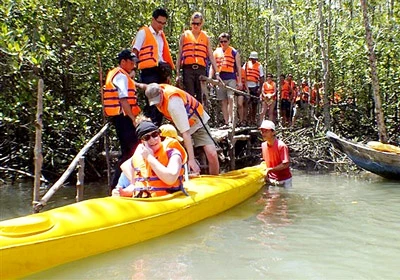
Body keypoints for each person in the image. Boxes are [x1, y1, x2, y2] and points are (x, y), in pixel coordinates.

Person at [144, 83, 219, 175]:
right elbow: (144, 86)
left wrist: (191, 160)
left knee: (212, 154)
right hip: (179, 126)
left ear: (161, 92)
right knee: (174, 154)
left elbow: (186, 132)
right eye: (154, 102)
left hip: (197, 123)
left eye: (158, 100)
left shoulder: (173, 103)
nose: (157, 104)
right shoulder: (155, 90)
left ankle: (216, 178)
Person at [112, 120, 187, 198]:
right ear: (142, 141)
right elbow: (137, 184)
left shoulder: (173, 153)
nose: (152, 140)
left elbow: (171, 179)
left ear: (159, 135)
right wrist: (123, 192)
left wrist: (149, 157)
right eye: (147, 137)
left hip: (167, 199)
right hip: (144, 201)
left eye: (154, 135)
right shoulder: (138, 156)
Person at [103, 49, 141, 192]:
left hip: (120, 117)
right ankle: (117, 186)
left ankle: (119, 185)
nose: (134, 65)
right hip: (123, 118)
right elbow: (123, 99)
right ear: (123, 62)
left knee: (128, 151)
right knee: (130, 151)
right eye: (131, 62)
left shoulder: (121, 74)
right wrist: (133, 118)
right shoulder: (120, 76)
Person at [131, 8, 175, 126]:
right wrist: (132, 69)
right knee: (152, 103)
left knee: (161, 103)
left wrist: (167, 75)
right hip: (148, 72)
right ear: (153, 20)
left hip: (161, 71)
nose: (161, 25)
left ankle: (157, 131)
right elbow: (134, 52)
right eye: (159, 22)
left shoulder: (161, 36)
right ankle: (149, 131)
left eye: (164, 23)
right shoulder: (143, 32)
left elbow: (162, 55)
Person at [175, 12, 220, 103]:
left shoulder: (206, 37)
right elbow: (180, 54)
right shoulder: (184, 35)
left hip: (200, 69)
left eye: (198, 24)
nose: (195, 26)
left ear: (201, 24)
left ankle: (200, 116)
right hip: (188, 69)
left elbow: (211, 55)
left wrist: (217, 73)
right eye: (193, 23)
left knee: (201, 96)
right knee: (189, 95)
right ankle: (190, 116)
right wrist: (177, 73)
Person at [209, 33, 242, 128]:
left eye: (225, 41)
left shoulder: (234, 52)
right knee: (223, 101)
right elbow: (212, 66)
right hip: (220, 79)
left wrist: (239, 81)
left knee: (231, 98)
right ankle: (226, 122)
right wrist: (211, 78)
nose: (223, 43)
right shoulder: (216, 52)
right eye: (221, 41)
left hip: (231, 78)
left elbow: (238, 67)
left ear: (229, 41)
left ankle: (232, 120)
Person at [259, 120, 292, 188]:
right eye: (262, 131)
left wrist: (270, 169)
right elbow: (265, 161)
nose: (263, 133)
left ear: (273, 132)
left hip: (284, 180)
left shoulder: (281, 146)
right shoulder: (263, 145)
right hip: (270, 179)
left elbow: (286, 164)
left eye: (266, 131)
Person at [242, 51, 265, 126]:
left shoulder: (259, 66)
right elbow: (242, 73)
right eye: (252, 58)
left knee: (254, 105)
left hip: (255, 87)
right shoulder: (246, 64)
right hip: (246, 86)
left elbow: (262, 78)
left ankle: (253, 120)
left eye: (255, 58)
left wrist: (260, 88)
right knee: (245, 103)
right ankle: (245, 120)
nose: (253, 60)